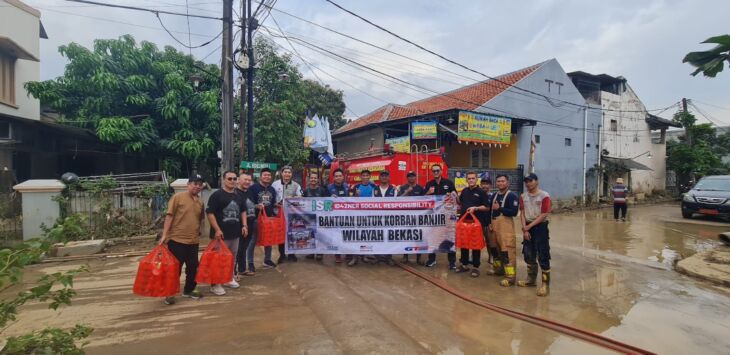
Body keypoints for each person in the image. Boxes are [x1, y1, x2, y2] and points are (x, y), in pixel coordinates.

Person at [159, 173, 205, 305]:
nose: (197, 186)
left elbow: (200, 219)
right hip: (177, 240)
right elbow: (169, 216)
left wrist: (199, 231)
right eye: (195, 184)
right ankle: (170, 293)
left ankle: (189, 289)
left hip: (193, 241)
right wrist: (164, 235)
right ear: (188, 185)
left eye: (200, 185)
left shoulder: (200, 201)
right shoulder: (178, 197)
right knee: (175, 268)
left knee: (193, 267)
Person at [206, 170, 248, 296]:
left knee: (231, 259)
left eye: (235, 179)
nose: (232, 181)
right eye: (229, 179)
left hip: (235, 233)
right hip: (221, 235)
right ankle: (215, 284)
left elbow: (243, 211)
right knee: (218, 260)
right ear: (224, 180)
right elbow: (210, 213)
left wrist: (244, 225)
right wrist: (217, 229)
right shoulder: (216, 195)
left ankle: (228, 279)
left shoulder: (238, 195)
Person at [517, 173, 552, 296]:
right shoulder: (523, 196)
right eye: (526, 181)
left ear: (536, 181)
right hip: (527, 226)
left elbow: (544, 214)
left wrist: (529, 226)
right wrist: (525, 229)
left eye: (530, 181)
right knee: (528, 253)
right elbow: (522, 212)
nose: (528, 183)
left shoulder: (544, 196)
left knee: (543, 254)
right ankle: (531, 280)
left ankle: (545, 284)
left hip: (540, 227)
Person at [455, 171, 490, 277]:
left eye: (473, 178)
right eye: (469, 178)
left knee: (475, 245)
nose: (471, 180)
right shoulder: (464, 191)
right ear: (466, 180)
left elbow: (487, 207)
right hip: (464, 223)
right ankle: (464, 264)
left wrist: (476, 208)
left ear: (476, 180)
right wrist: (454, 198)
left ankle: (475, 267)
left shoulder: (481, 192)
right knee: (464, 244)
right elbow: (460, 204)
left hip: (476, 224)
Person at [489, 174, 520, 287]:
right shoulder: (494, 195)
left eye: (503, 181)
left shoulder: (512, 196)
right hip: (494, 227)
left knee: (507, 252)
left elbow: (514, 212)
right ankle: (498, 270)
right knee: (495, 251)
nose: (500, 183)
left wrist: (500, 208)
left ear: (507, 182)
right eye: (498, 181)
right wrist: (489, 223)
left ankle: (510, 277)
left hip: (505, 228)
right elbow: (490, 211)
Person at [424, 164, 457, 269]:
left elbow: (455, 197)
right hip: (434, 216)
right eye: (434, 171)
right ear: (431, 172)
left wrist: (454, 195)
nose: (436, 172)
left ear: (441, 171)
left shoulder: (449, 183)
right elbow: (423, 199)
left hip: (447, 216)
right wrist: (428, 192)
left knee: (449, 237)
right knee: (432, 237)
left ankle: (452, 262)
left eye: (437, 170)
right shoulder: (429, 184)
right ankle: (431, 260)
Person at [249, 168, 278, 269]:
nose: (267, 177)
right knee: (252, 240)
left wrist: (278, 205)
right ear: (260, 176)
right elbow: (249, 203)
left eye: (269, 175)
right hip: (256, 218)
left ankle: (267, 260)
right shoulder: (253, 188)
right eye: (265, 175)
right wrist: (257, 206)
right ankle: (250, 262)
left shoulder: (272, 189)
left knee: (268, 239)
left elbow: (273, 203)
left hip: (268, 218)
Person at [347, 170, 377, 266]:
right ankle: (355, 257)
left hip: (369, 215)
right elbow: (348, 201)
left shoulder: (374, 187)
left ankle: (364, 256)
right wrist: (356, 195)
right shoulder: (355, 187)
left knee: (366, 236)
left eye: (367, 175)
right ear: (361, 177)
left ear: (369, 177)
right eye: (363, 175)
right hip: (357, 215)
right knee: (356, 236)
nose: (365, 177)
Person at [272, 165, 302, 262]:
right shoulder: (275, 184)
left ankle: (291, 254)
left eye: (289, 172)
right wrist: (275, 204)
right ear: (282, 173)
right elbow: (272, 198)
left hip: (292, 215)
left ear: (291, 174)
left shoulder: (296, 185)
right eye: (285, 172)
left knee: (292, 234)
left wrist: (294, 199)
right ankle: (282, 255)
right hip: (278, 214)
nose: (287, 174)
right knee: (281, 235)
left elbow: (301, 197)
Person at [399, 171, 425, 264]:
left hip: (418, 217)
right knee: (406, 236)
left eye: (413, 176)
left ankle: (419, 258)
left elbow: (425, 200)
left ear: (415, 177)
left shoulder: (420, 188)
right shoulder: (403, 188)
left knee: (418, 237)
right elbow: (398, 200)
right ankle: (405, 256)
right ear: (407, 178)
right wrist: (406, 192)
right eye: (409, 176)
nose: (411, 178)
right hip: (406, 216)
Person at [236, 171, 258, 277]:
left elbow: (252, 204)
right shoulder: (235, 193)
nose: (247, 182)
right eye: (245, 179)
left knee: (244, 247)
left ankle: (242, 269)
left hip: (250, 223)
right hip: (239, 225)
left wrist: (257, 206)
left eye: (249, 180)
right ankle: (233, 273)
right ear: (239, 180)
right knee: (237, 248)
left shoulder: (249, 192)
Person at [303, 171, 328, 261]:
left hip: (320, 217)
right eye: (312, 178)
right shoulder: (305, 190)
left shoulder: (322, 190)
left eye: (315, 178)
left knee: (320, 235)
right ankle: (311, 252)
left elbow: (327, 202)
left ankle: (320, 253)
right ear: (309, 180)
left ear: (318, 180)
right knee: (310, 234)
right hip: (309, 217)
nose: (313, 179)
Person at [373, 170, 397, 266]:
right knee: (378, 237)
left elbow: (396, 203)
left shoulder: (394, 189)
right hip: (378, 218)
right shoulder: (374, 189)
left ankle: (388, 257)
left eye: (386, 175)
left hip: (389, 218)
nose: (384, 177)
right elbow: (371, 203)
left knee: (389, 237)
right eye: (382, 175)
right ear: (379, 177)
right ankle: (377, 257)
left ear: (389, 177)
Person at [327, 168, 349, 263]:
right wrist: (329, 198)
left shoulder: (347, 186)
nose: (338, 177)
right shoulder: (328, 188)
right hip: (334, 216)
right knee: (336, 236)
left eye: (340, 176)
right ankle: (337, 255)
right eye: (336, 176)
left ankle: (348, 253)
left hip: (346, 215)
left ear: (343, 177)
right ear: (333, 178)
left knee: (346, 234)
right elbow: (323, 201)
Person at [480, 177, 498, 267]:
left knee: (490, 241)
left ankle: (491, 256)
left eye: (487, 184)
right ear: (480, 185)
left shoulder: (493, 196)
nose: (485, 186)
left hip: (489, 223)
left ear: (490, 185)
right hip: (478, 222)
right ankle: (474, 256)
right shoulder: (478, 194)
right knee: (475, 240)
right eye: (483, 184)